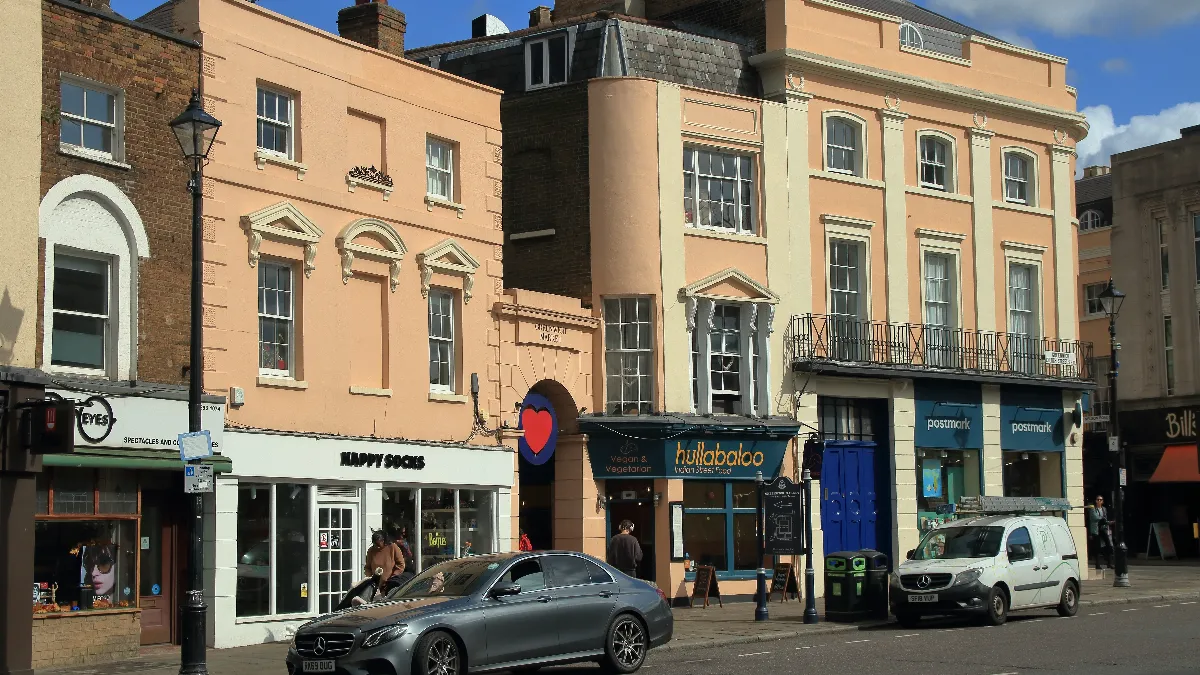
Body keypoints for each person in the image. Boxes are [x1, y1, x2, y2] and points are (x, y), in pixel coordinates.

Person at [364, 530, 406, 594]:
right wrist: (370, 578)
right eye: (375, 544)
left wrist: (393, 577)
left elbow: (401, 565)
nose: (377, 546)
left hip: (390, 585)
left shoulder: (393, 548)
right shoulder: (371, 551)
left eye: (378, 544)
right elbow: (367, 568)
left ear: (384, 540)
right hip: (375, 587)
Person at [1089, 495, 1114, 571]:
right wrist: (1103, 519)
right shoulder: (1093, 509)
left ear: (1102, 501)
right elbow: (1095, 517)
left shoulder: (1104, 509)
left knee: (1108, 544)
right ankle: (1097, 564)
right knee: (1097, 547)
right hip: (1096, 529)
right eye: (1098, 499)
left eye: (1101, 500)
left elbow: (1105, 518)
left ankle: (1109, 563)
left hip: (1103, 528)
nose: (1099, 501)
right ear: (1096, 501)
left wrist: (1108, 522)